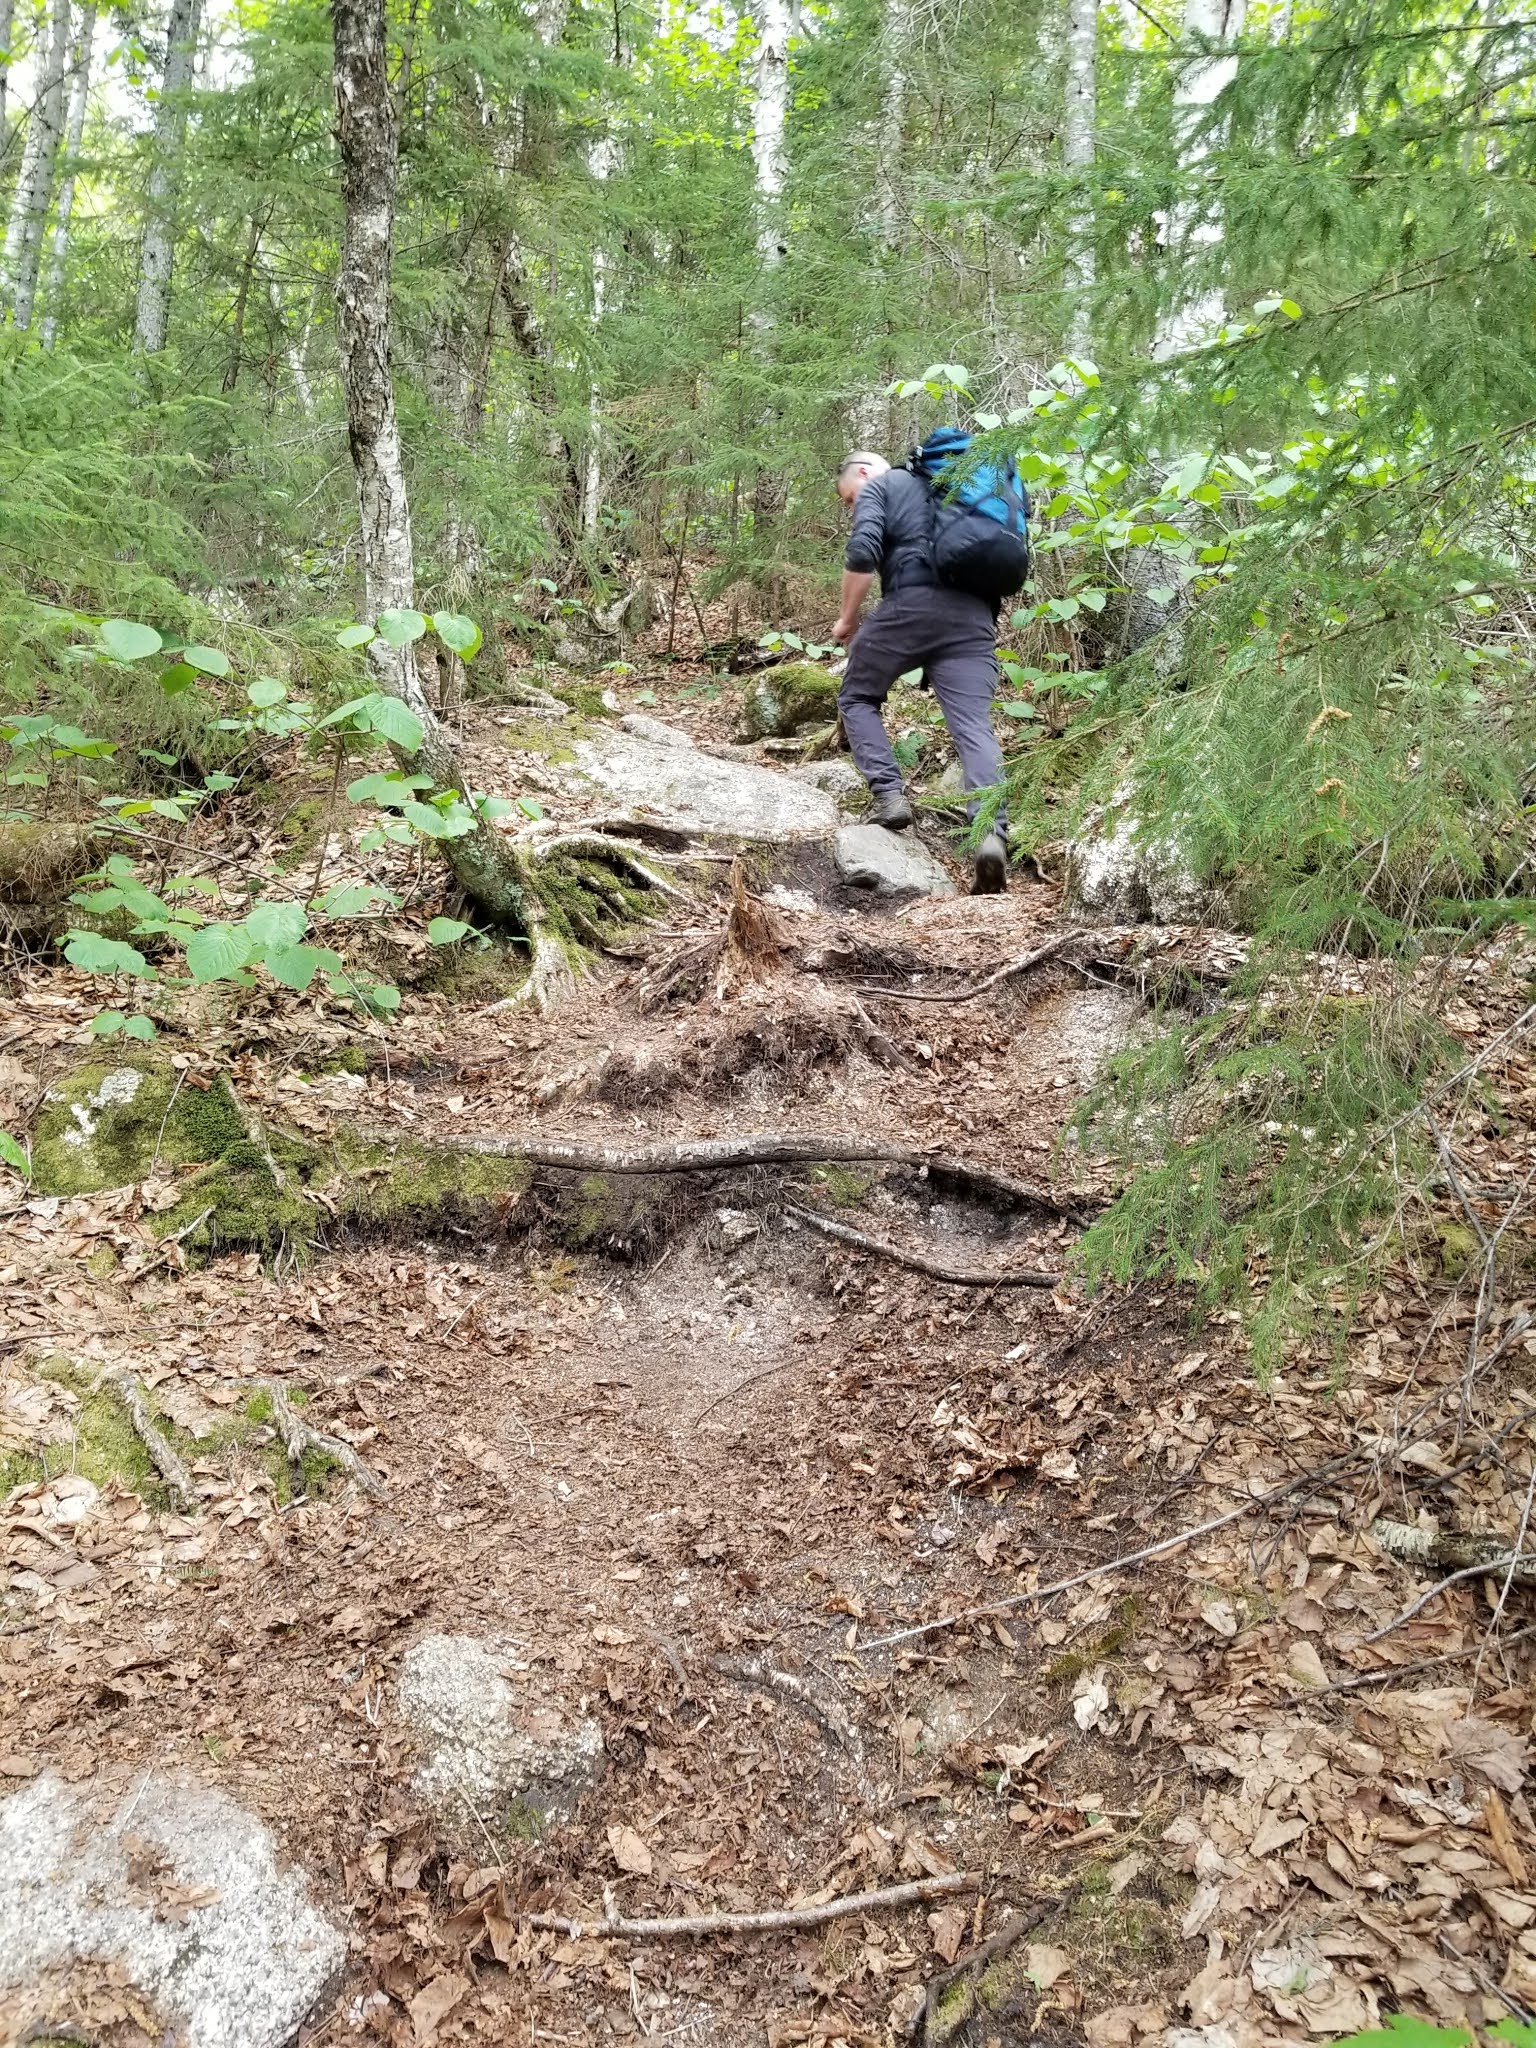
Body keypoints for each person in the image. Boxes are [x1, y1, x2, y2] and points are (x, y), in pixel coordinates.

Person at [832, 449, 1008, 895]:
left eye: (849, 498)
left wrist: (848, 620)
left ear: (865, 473)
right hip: (973, 619)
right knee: (973, 726)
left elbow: (863, 550)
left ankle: (889, 796)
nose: (852, 505)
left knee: (857, 697)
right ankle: (990, 834)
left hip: (910, 607)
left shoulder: (882, 485)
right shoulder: (962, 493)